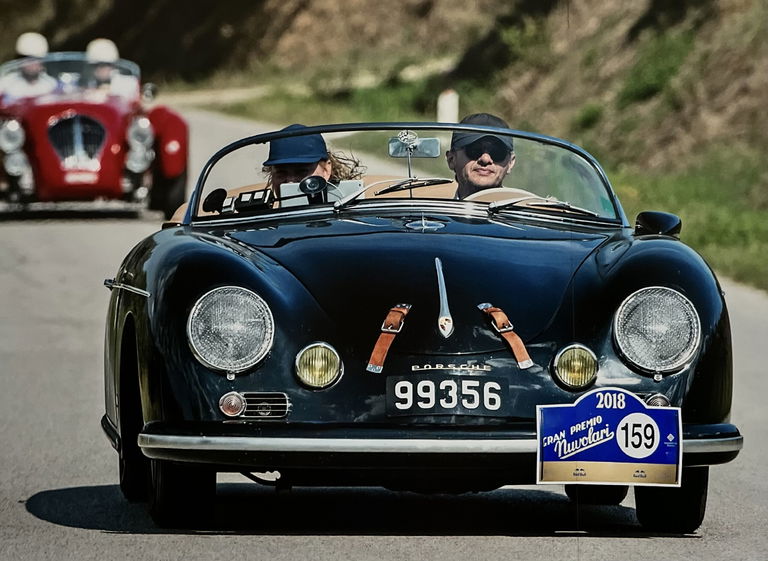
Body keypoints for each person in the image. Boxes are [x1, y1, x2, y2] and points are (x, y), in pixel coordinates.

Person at [262, 123, 364, 197]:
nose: (290, 182)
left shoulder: (350, 209)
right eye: (281, 173)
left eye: (302, 172)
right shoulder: (264, 218)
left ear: (326, 170)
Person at [445, 113, 515, 199]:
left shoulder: (524, 206)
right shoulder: (433, 205)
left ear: (510, 163)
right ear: (451, 159)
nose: (485, 159)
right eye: (475, 150)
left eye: (497, 152)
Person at [0, 32, 58, 101]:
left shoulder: (51, 85)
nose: (31, 64)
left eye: (36, 59)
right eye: (27, 58)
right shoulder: (6, 84)